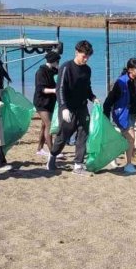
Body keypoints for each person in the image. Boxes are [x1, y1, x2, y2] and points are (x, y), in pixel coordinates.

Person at [47, 40, 98, 177]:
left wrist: (93, 98)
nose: (86, 59)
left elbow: (87, 88)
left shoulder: (87, 70)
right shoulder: (66, 67)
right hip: (67, 107)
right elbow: (60, 89)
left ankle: (78, 165)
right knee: (64, 135)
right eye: (84, 56)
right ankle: (52, 156)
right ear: (77, 52)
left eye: (88, 57)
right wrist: (63, 107)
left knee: (83, 134)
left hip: (82, 107)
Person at [34, 51, 61, 158]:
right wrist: (55, 90)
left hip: (50, 102)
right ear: (53, 61)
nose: (58, 63)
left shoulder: (53, 70)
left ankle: (39, 149)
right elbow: (41, 89)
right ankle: (53, 151)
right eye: (57, 61)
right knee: (49, 125)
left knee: (44, 125)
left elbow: (60, 76)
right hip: (41, 102)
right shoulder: (41, 72)